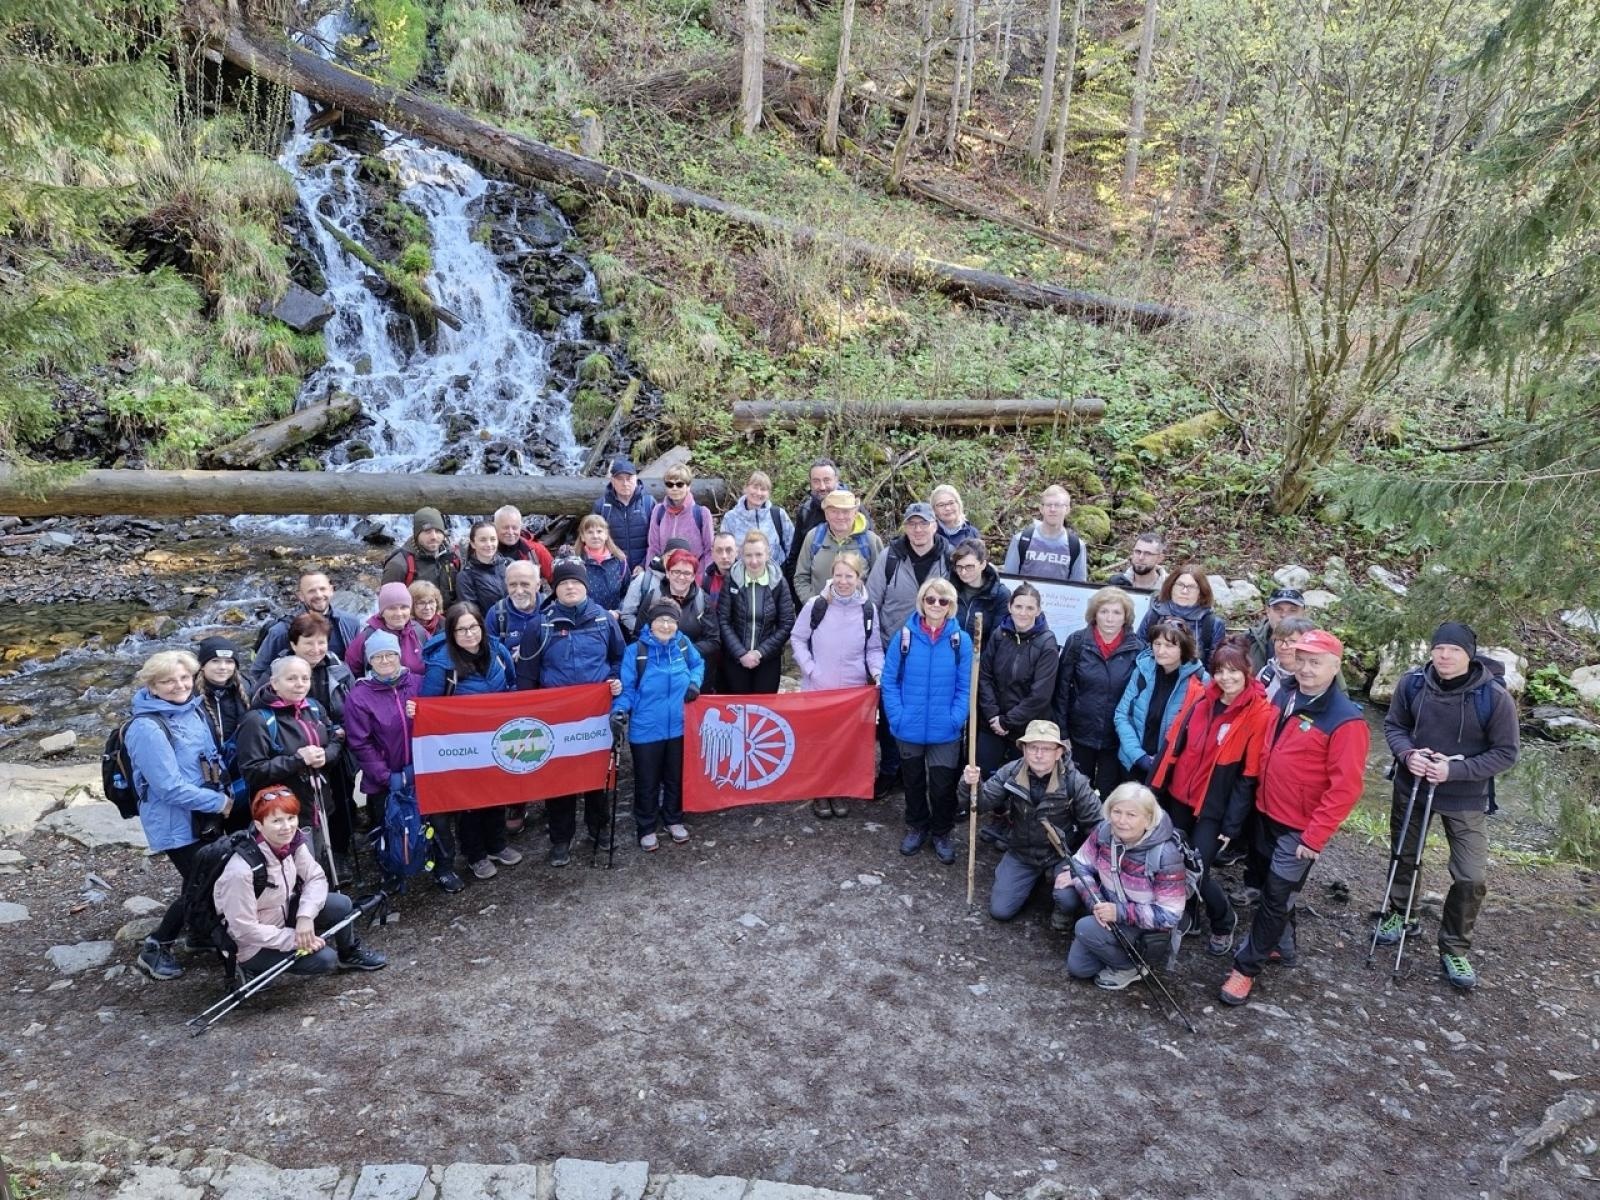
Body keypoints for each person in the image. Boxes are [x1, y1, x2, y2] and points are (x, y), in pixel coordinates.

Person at [1219, 630, 1370, 1007]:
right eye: (1301, 659)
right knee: (1269, 885)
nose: (1305, 668)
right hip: (1267, 812)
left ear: (1335, 667)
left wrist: (1314, 837)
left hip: (1300, 828)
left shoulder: (1345, 721)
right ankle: (1281, 945)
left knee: (1274, 896)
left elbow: (1345, 788)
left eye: (1315, 662)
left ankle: (1245, 969)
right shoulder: (1286, 693)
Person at [1376, 622, 1520, 990]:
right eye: (1439, 647)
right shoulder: (1412, 684)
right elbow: (1394, 726)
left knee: (1471, 876)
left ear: (1469, 654)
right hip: (1413, 786)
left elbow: (1506, 752)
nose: (1444, 655)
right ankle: (1400, 914)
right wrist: (1408, 755)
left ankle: (1454, 946)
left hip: (1465, 796)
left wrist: (1454, 770)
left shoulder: (1494, 697)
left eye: (1453, 650)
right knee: (1405, 855)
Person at [125, 650, 232, 981]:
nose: (179, 685)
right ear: (152, 686)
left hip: (202, 814)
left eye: (184, 677)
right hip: (175, 820)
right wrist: (219, 804)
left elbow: (210, 757)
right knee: (204, 883)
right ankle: (156, 946)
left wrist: (223, 790)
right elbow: (168, 787)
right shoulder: (146, 728)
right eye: (168, 681)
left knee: (200, 879)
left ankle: (199, 935)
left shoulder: (192, 709)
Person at [1165, 637, 1275, 956]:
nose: (1226, 678)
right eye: (1219, 671)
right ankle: (1190, 917)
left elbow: (1248, 776)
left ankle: (1224, 920)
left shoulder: (1259, 712)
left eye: (1234, 671)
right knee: (1172, 858)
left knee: (1196, 867)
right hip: (1180, 796)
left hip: (1214, 805)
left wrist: (1232, 824)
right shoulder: (1203, 700)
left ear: (1247, 672)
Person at [215, 786, 386, 983]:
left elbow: (316, 877)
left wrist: (305, 917)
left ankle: (349, 953)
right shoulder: (240, 870)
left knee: (342, 904)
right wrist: (294, 938)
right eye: (277, 821)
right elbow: (242, 929)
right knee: (325, 959)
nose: (286, 826)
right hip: (251, 945)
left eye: (291, 817)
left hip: (284, 914)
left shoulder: (291, 843)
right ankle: (248, 968)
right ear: (259, 825)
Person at [526, 559, 627, 865]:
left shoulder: (603, 620)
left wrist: (615, 680)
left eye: (576, 582)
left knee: (598, 772)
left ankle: (599, 827)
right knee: (559, 777)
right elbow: (528, 674)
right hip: (556, 716)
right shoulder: (540, 624)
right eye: (563, 583)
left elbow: (619, 658)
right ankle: (561, 838)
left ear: (586, 586)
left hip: (595, 713)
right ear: (554, 588)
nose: (570, 587)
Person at [420, 602, 524, 881]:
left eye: (473, 627)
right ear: (451, 633)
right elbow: (429, 707)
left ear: (482, 626)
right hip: (462, 744)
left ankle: (497, 844)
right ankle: (475, 854)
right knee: (469, 801)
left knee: (497, 793)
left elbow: (512, 685)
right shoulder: (442, 664)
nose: (469, 634)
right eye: (461, 629)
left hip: (497, 737)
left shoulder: (498, 650)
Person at [341, 631, 454, 888]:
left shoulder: (418, 683)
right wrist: (385, 776)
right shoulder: (359, 696)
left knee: (438, 822)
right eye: (377, 657)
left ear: (398, 655)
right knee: (388, 825)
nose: (385, 661)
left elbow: (438, 720)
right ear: (369, 661)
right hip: (384, 777)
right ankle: (391, 872)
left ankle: (444, 868)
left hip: (424, 770)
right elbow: (360, 741)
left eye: (389, 654)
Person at [1053, 782, 1188, 989]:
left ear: (1148, 819)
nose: (1121, 821)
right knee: (1079, 968)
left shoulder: (1165, 854)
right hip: (1109, 907)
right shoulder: (1104, 831)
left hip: (1145, 924)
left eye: (1132, 815)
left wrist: (1118, 913)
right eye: (1116, 812)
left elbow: (1170, 914)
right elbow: (1080, 864)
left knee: (1084, 928)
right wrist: (1096, 903)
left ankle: (1131, 966)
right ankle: (1111, 946)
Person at [962, 721, 1099, 922]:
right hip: (1022, 851)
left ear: (1059, 752)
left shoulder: (1075, 782)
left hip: (1062, 854)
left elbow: (1098, 828)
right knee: (1000, 911)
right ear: (1024, 750)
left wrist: (1081, 866)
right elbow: (980, 804)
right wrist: (970, 784)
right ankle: (1026, 879)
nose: (1039, 754)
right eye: (1033, 747)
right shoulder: (1011, 772)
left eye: (1046, 748)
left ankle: (1061, 906)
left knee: (1068, 899)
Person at [881, 578, 972, 865]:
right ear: (922, 601)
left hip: (945, 730)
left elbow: (965, 687)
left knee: (943, 785)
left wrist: (955, 719)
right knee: (913, 781)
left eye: (943, 601)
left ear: (951, 606)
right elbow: (889, 680)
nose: (936, 605)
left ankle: (941, 832)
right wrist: (898, 715)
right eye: (931, 599)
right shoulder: (904, 636)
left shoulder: (961, 641)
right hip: (909, 726)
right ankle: (917, 826)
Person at [789, 550, 884, 819]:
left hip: (852, 692)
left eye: (849, 576)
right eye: (838, 575)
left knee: (845, 743)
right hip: (819, 687)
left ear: (859, 577)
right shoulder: (816, 605)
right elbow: (797, 639)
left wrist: (878, 673)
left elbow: (874, 648)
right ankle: (820, 791)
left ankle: (840, 788)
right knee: (819, 742)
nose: (843, 581)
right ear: (832, 576)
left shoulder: (868, 610)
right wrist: (810, 669)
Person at [612, 597, 705, 851]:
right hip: (646, 729)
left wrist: (695, 682)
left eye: (671, 621)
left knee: (675, 777)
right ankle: (646, 825)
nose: (665, 625)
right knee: (647, 781)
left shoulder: (683, 645)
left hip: (679, 726)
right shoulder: (636, 652)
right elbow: (627, 689)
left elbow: (698, 664)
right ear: (651, 622)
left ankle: (673, 819)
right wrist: (619, 710)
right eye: (660, 620)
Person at [236, 655, 344, 866]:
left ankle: (323, 895)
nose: (300, 684)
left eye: (305, 678)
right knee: (295, 866)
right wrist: (298, 760)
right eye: (291, 678)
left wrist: (326, 755)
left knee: (319, 860)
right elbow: (252, 771)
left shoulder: (313, 708)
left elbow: (335, 739)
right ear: (274, 682)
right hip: (283, 813)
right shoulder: (257, 721)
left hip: (318, 804)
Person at [1054, 587, 1144, 796]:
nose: (1110, 619)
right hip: (1080, 731)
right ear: (1094, 614)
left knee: (1108, 792)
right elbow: (1061, 690)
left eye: (1116, 613)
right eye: (1104, 612)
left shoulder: (1137, 649)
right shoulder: (1077, 642)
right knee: (1076, 788)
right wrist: (1062, 732)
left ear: (1126, 617)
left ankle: (1101, 829)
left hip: (1116, 736)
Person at [1113, 620, 1207, 793]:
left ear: (1184, 648)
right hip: (1133, 762)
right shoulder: (1142, 670)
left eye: (1170, 646)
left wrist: (1163, 760)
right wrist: (1139, 756)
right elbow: (1122, 715)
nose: (1161, 651)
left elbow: (1197, 733)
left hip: (1170, 772)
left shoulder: (1200, 681)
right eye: (1157, 644)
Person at [976, 583, 1059, 776]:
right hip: (992, 721)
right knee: (984, 774)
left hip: (1026, 727)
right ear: (1010, 607)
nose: (1023, 613)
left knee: (1019, 780)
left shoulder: (1047, 642)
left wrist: (1007, 721)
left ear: (1038, 610)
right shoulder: (999, 634)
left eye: (1030, 608)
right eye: (1019, 606)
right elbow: (985, 674)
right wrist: (992, 715)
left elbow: (1041, 694)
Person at [250, 570, 360, 691]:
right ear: (301, 596)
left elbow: (356, 664)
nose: (318, 595)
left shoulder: (350, 623)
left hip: (336, 694)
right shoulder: (281, 631)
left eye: (322, 589)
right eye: (311, 591)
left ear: (331, 590)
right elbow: (258, 672)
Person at [867, 502, 953, 653]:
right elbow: (870, 605)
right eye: (912, 524)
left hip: (936, 648)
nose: (918, 529)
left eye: (923, 523)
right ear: (905, 528)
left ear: (935, 526)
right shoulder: (889, 557)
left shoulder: (949, 558)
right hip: (892, 647)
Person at [718, 530, 796, 695]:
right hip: (735, 658)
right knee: (738, 710)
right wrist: (741, 653)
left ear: (768, 554)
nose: (754, 561)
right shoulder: (731, 579)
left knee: (764, 712)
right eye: (748, 555)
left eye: (759, 555)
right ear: (741, 555)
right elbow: (723, 620)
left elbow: (787, 623)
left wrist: (760, 653)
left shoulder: (779, 583)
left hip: (768, 659)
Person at [195, 636, 251, 832]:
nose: (223, 667)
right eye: (215, 661)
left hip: (239, 768)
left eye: (229, 662)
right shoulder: (189, 694)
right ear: (202, 665)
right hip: (206, 772)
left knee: (241, 827)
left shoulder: (246, 687)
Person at [792, 489, 883, 605]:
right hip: (820, 614)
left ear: (855, 513)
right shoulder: (814, 538)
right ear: (826, 514)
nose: (840, 517)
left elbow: (880, 583)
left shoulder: (870, 541)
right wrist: (813, 604)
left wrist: (865, 608)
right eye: (834, 511)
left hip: (857, 615)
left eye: (846, 511)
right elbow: (801, 577)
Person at [1136, 564, 1228, 669]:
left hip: (1194, 681)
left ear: (1201, 592)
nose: (1184, 591)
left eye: (1191, 587)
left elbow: (1214, 665)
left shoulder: (1212, 623)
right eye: (1180, 585)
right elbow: (1139, 650)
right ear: (1171, 586)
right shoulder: (1154, 614)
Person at [1000, 485, 1087, 582]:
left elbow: (1078, 587)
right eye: (1048, 505)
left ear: (1067, 509)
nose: (1052, 509)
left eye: (1058, 505)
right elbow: (1009, 581)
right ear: (1041, 509)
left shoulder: (1076, 546)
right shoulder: (1021, 540)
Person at [345, 581, 429, 676]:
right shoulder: (367, 637)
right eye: (392, 608)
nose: (399, 613)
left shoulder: (419, 632)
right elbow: (351, 671)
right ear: (382, 612)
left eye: (404, 607)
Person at [381, 506, 459, 606]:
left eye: (438, 531)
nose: (434, 537)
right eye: (427, 532)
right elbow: (388, 607)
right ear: (416, 534)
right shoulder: (398, 565)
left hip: (448, 617)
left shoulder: (452, 557)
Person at [485, 561, 545, 690]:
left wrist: (530, 651)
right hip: (511, 687)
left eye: (525, 584)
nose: (519, 591)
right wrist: (507, 657)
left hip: (545, 685)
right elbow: (488, 656)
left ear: (538, 585)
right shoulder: (496, 613)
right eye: (513, 585)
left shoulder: (551, 608)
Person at [722, 470, 798, 571]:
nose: (758, 493)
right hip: (743, 577)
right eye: (755, 487)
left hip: (777, 576)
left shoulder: (778, 515)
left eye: (763, 489)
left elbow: (792, 548)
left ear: (768, 493)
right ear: (746, 488)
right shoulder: (731, 518)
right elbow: (726, 551)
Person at [648, 464, 716, 571]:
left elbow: (709, 550)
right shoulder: (658, 511)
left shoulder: (702, 513)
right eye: (670, 484)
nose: (674, 488)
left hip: (694, 574)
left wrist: (704, 576)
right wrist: (651, 572)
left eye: (679, 484)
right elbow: (653, 548)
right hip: (665, 573)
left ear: (688, 486)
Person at [593, 455, 655, 573]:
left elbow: (657, 541)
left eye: (629, 478)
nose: (625, 483)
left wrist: (644, 564)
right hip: (613, 570)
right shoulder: (601, 506)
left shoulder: (648, 503)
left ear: (636, 478)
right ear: (612, 481)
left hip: (644, 570)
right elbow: (593, 541)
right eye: (620, 479)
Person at [950, 539, 1011, 640]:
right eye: (959, 567)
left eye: (969, 567)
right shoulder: (949, 589)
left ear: (982, 564)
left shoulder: (1000, 595)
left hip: (983, 654)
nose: (963, 572)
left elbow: (998, 638)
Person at [573, 514, 630, 619]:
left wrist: (618, 612)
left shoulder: (620, 561)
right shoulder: (575, 562)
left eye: (599, 531)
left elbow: (628, 593)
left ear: (606, 534)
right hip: (585, 621)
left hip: (615, 620)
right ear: (582, 536)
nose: (595, 536)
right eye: (590, 532)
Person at [1247, 587, 1309, 673]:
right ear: (1267, 611)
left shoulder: (1317, 644)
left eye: (1292, 610)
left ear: (1303, 612)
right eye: (1278, 609)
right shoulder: (1248, 641)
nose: (1284, 615)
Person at [455, 520, 509, 615]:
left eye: (493, 539)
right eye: (483, 540)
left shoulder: (509, 565)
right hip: (487, 627)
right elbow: (472, 615)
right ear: (473, 543)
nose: (489, 544)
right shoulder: (465, 577)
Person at [1257, 614, 1315, 702]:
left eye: (1292, 641)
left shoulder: (1313, 680)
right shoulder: (1266, 673)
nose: (1283, 646)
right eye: (1280, 640)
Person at [493, 504, 555, 579]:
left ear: (520, 528)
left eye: (514, 527)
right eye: (505, 528)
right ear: (495, 528)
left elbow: (555, 579)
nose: (510, 532)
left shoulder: (536, 551)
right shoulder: (486, 551)